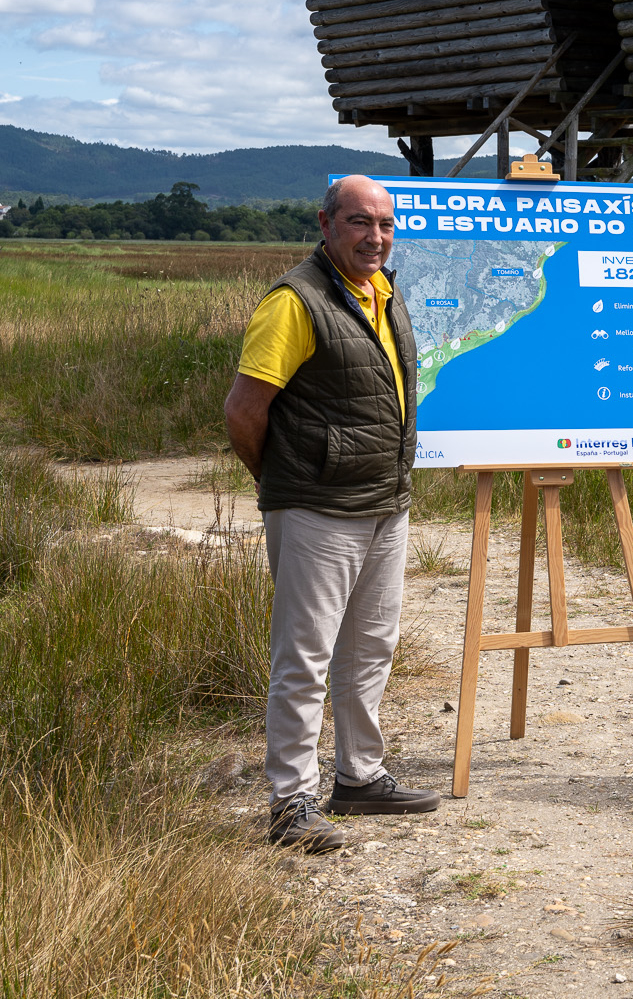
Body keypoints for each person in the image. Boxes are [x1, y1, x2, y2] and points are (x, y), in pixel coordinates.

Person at [223, 174, 441, 853]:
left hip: (384, 500)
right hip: (318, 506)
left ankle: (359, 775)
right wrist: (285, 482)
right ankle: (290, 802)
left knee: (371, 644)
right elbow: (243, 411)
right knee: (305, 657)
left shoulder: (383, 290)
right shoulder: (295, 302)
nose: (374, 236)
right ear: (325, 224)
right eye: (358, 222)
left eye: (384, 223)